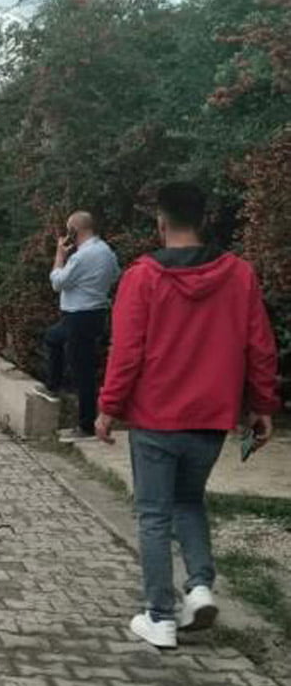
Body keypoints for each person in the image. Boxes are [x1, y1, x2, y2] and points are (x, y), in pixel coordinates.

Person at [95, 183, 279, 650]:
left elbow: (127, 353)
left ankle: (160, 616)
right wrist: (262, 406)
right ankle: (198, 588)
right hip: (211, 416)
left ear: (160, 222)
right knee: (189, 502)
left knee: (154, 515)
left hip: (156, 415)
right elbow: (259, 346)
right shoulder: (239, 275)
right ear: (204, 219)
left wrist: (108, 408)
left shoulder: (143, 277)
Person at [39, 211, 121, 442]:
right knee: (53, 337)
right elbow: (115, 275)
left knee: (82, 371)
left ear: (75, 231)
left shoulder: (82, 257)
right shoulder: (106, 251)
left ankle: (85, 425)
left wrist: (59, 255)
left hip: (79, 315)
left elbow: (57, 282)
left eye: (69, 230)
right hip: (95, 314)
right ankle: (53, 385)